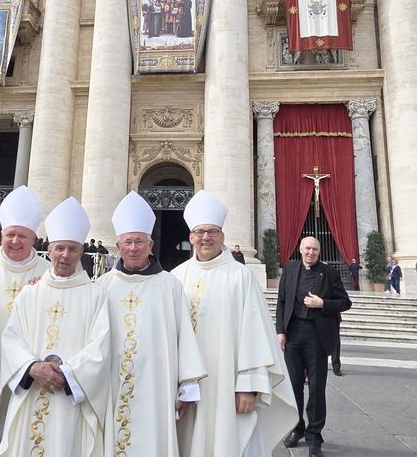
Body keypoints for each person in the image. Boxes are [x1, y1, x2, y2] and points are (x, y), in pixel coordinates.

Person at [172, 191, 298, 456]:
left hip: (227, 385)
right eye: (200, 232)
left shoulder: (240, 277)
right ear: (190, 237)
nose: (206, 237)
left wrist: (249, 386)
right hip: (184, 388)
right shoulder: (176, 277)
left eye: (213, 231)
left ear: (223, 237)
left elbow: (254, 333)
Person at [0, 197, 111, 456]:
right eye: (60, 248)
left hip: (69, 398)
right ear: (49, 249)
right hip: (32, 391)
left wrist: (68, 375)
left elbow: (100, 347)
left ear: (81, 252)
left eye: (72, 249)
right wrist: (33, 367)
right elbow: (11, 338)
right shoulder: (30, 294)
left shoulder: (95, 295)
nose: (65, 255)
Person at [96, 191, 206, 456]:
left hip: (158, 387)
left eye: (139, 242)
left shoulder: (169, 285)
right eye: (127, 242)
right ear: (118, 246)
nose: (133, 248)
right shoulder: (101, 287)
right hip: (111, 385)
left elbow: (185, 339)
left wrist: (186, 388)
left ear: (150, 245)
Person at [0, 185, 51, 445]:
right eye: (11, 235)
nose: (16, 241)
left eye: (23, 236)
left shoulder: (49, 274)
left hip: (31, 374)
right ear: (1, 234)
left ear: (34, 238)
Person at [275, 236, 352, 457]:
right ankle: (296, 428)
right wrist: (280, 331)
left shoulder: (329, 273)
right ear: (300, 249)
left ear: (319, 252)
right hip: (293, 335)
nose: (311, 252)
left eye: (315, 249)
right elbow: (281, 301)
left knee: (317, 388)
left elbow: (345, 302)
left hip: (317, 336)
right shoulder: (289, 270)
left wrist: (323, 304)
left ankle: (314, 437)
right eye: (307, 248)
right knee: (294, 386)